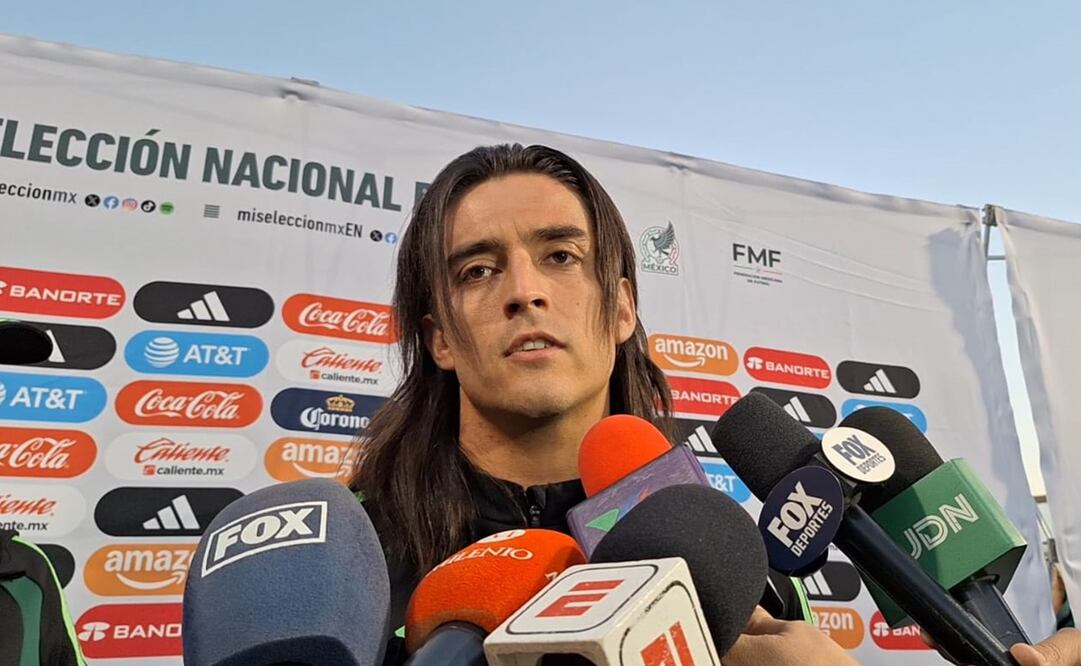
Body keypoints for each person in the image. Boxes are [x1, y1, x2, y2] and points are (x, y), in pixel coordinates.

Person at [347, 142, 850, 664]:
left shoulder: (746, 576)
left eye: (560, 257)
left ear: (622, 310)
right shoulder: (348, 554)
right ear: (439, 340)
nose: (524, 291)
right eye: (478, 270)